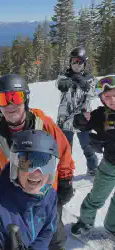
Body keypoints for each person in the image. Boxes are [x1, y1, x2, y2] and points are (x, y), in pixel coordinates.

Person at [0, 74, 75, 250]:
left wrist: (65, 180)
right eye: (4, 99)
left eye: (16, 97)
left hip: (45, 191)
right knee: (20, 235)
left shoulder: (44, 124)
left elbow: (63, 152)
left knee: (54, 235)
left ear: (25, 100)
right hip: (14, 195)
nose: (11, 105)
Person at [0, 130, 58, 250]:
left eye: (44, 164)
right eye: (27, 163)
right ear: (15, 167)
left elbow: (47, 231)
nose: (36, 173)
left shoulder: (49, 195)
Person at [71, 75, 115, 237]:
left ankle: (112, 226)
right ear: (102, 99)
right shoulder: (100, 114)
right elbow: (79, 123)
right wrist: (82, 119)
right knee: (97, 197)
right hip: (110, 165)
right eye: (107, 97)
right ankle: (85, 222)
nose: (112, 100)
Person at [56, 46, 98, 176]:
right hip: (65, 120)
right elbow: (60, 84)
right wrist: (66, 83)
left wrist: (86, 85)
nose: (77, 65)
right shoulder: (63, 76)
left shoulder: (90, 79)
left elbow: (95, 93)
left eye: (80, 62)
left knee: (87, 146)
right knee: (65, 149)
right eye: (74, 61)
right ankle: (65, 173)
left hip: (83, 119)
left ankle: (93, 168)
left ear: (84, 63)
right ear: (70, 62)